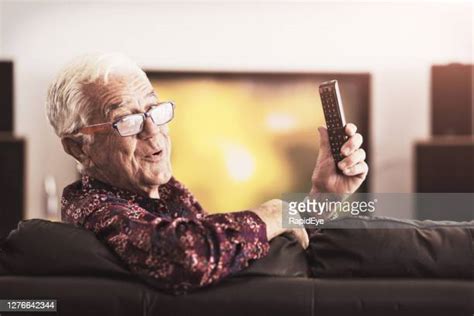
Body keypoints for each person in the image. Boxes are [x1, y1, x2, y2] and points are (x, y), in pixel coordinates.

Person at [46, 53, 368, 295]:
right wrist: (274, 211)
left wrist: (320, 201)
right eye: (126, 121)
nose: (154, 133)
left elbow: (233, 252)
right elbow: (188, 256)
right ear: (78, 147)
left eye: (155, 111)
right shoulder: (93, 206)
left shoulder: (167, 193)